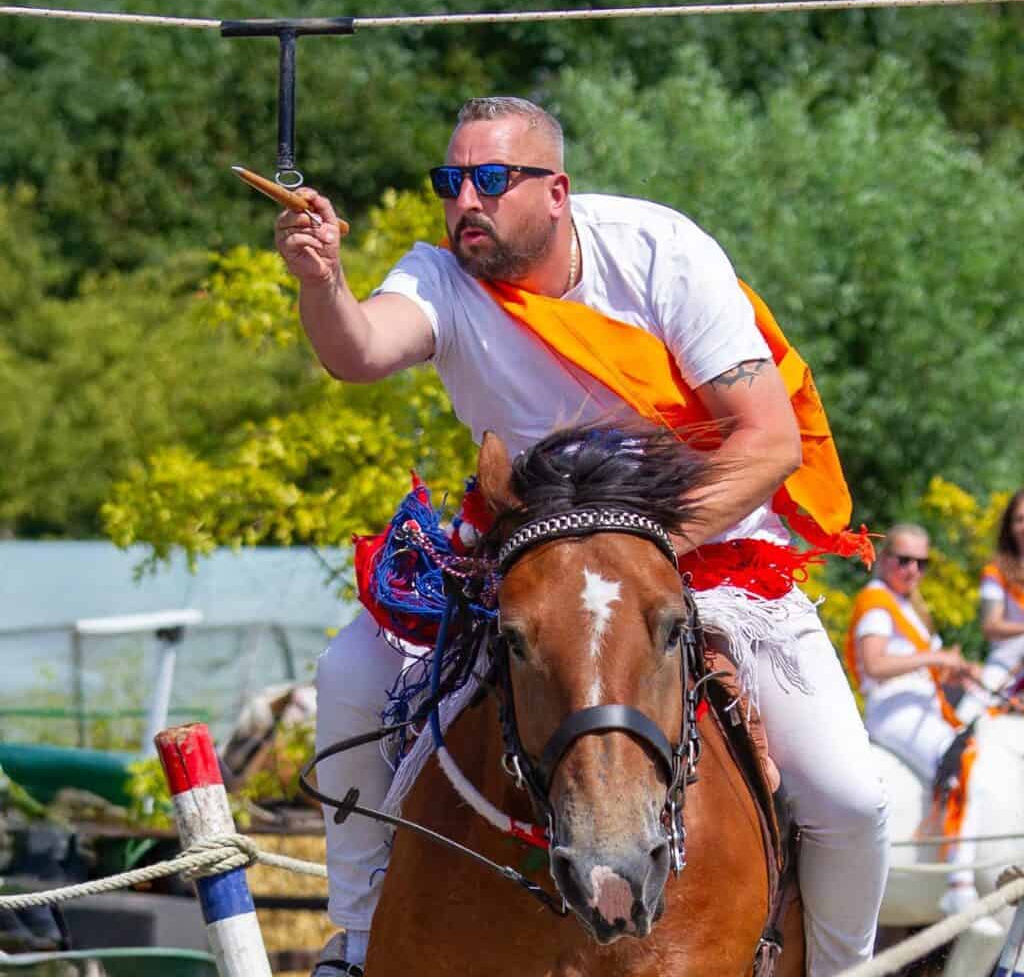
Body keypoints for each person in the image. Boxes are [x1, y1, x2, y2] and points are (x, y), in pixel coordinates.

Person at [275, 96, 888, 976]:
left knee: (851, 798)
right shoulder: (438, 275)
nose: (464, 204)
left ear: (556, 191)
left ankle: (839, 971)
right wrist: (321, 280)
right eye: (450, 183)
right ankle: (357, 943)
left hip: (699, 555)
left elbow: (770, 441)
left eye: (491, 180)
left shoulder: (661, 252)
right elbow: (360, 351)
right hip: (527, 564)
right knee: (350, 673)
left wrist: (638, 548)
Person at [846, 523, 999, 931]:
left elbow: (927, 668)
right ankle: (959, 882)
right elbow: (876, 664)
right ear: (886, 560)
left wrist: (961, 671)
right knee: (965, 760)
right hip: (893, 710)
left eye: (922, 562)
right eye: (904, 560)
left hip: (922, 704)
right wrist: (934, 661)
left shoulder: (910, 607)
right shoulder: (877, 603)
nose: (913, 569)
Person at [978, 489, 1024, 694]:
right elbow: (990, 626)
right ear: (1010, 526)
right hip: (1008, 663)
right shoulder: (995, 571)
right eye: (1020, 519)